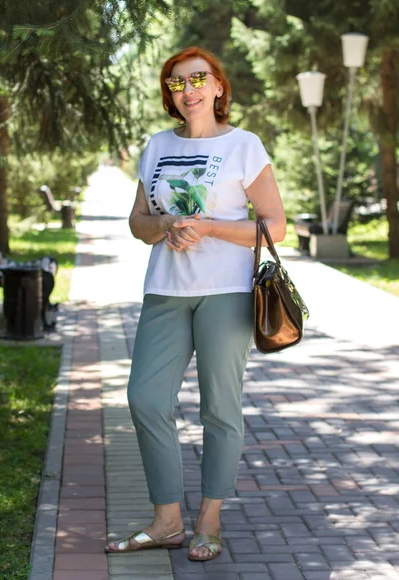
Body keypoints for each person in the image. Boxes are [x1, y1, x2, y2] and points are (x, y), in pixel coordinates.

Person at [105, 46, 286, 561]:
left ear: (219, 86)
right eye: (177, 83)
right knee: (145, 398)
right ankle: (166, 521)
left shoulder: (245, 146)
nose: (189, 90)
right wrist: (163, 226)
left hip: (226, 291)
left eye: (198, 79)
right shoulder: (157, 146)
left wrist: (207, 227)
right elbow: (138, 222)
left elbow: (275, 225)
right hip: (165, 289)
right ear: (170, 95)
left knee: (220, 409)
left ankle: (209, 519)